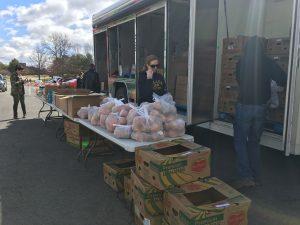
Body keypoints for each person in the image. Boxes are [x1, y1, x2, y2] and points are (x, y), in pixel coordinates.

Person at [233, 36, 286, 189]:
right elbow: (283, 79)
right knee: (254, 142)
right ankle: (256, 176)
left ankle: (245, 176)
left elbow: (239, 80)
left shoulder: (241, 62)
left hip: (244, 106)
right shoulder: (268, 62)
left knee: (241, 141)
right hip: (261, 107)